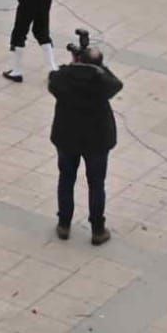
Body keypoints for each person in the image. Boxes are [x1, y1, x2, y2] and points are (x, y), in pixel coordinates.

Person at [49, 42, 122, 245]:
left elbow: (52, 79)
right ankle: (98, 229)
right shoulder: (102, 82)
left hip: (67, 137)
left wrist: (74, 64)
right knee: (96, 184)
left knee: (66, 179)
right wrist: (98, 67)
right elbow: (116, 84)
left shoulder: (63, 78)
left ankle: (64, 224)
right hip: (97, 140)